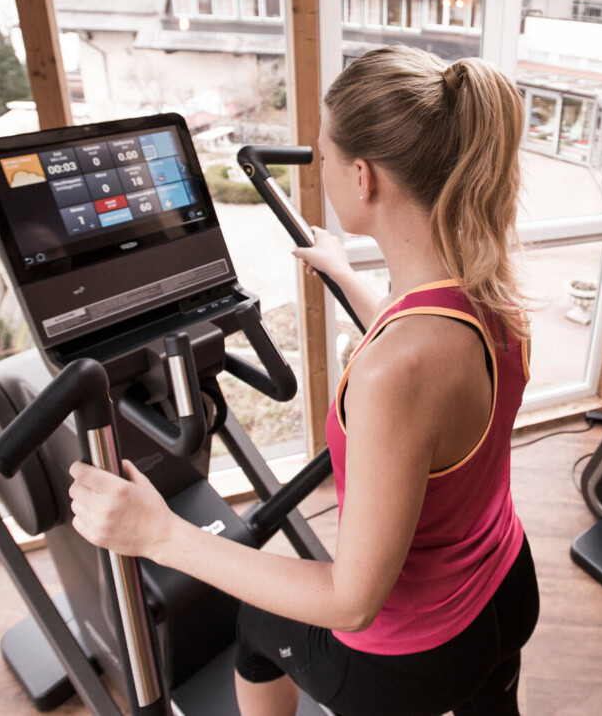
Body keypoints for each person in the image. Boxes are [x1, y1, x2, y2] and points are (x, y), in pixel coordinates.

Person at [68, 45, 540, 715]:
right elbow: (432, 357)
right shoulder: (493, 297)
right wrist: (346, 273)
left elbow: (351, 601)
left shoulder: (395, 370)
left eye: (323, 159)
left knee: (256, 632)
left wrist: (161, 535)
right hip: (505, 591)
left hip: (411, 658)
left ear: (362, 177)